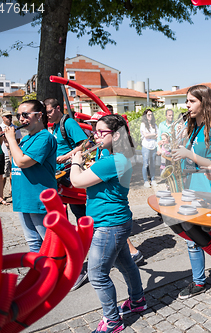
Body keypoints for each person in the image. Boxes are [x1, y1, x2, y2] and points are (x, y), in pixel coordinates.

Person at [70, 114, 146, 333]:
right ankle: (138, 301)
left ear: (116, 135)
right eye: (95, 131)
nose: (95, 135)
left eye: (101, 132)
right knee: (126, 264)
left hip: (109, 224)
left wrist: (76, 161)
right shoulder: (114, 155)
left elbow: (76, 181)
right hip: (114, 221)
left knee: (97, 274)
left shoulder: (114, 160)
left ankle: (112, 321)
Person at [171, 85, 211, 299]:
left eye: (191, 101)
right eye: (187, 101)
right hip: (193, 189)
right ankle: (198, 282)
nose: (186, 105)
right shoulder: (194, 128)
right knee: (192, 238)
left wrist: (188, 153)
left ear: (204, 103)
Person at [3, 100, 57, 252]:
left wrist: (12, 140)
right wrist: (10, 144)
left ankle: (71, 274)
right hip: (24, 197)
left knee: (51, 243)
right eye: (19, 115)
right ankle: (44, 274)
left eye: (25, 115)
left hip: (39, 198)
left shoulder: (44, 137)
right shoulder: (26, 139)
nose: (21, 119)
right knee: (34, 243)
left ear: (39, 116)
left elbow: (21, 162)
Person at [44, 98, 89, 221]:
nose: (47, 115)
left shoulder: (68, 123)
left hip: (70, 172)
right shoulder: (55, 126)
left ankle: (87, 234)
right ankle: (67, 237)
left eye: (49, 112)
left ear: (58, 108)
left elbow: (85, 144)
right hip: (59, 173)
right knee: (61, 209)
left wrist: (66, 156)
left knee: (77, 208)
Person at [0, 110, 22, 202]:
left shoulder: (15, 127)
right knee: (4, 174)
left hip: (13, 153)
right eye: (7, 116)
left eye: (10, 116)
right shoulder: (0, 128)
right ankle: (1, 194)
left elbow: (18, 141)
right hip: (3, 153)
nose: (9, 118)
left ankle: (13, 191)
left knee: (13, 173)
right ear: (2, 118)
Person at [140, 109, 158, 187]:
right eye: (148, 115)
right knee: (146, 164)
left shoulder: (155, 125)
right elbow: (145, 135)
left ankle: (153, 179)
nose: (150, 116)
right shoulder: (143, 124)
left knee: (153, 164)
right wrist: (153, 134)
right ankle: (145, 181)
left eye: (151, 114)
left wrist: (150, 135)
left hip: (154, 146)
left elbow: (157, 135)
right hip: (146, 146)